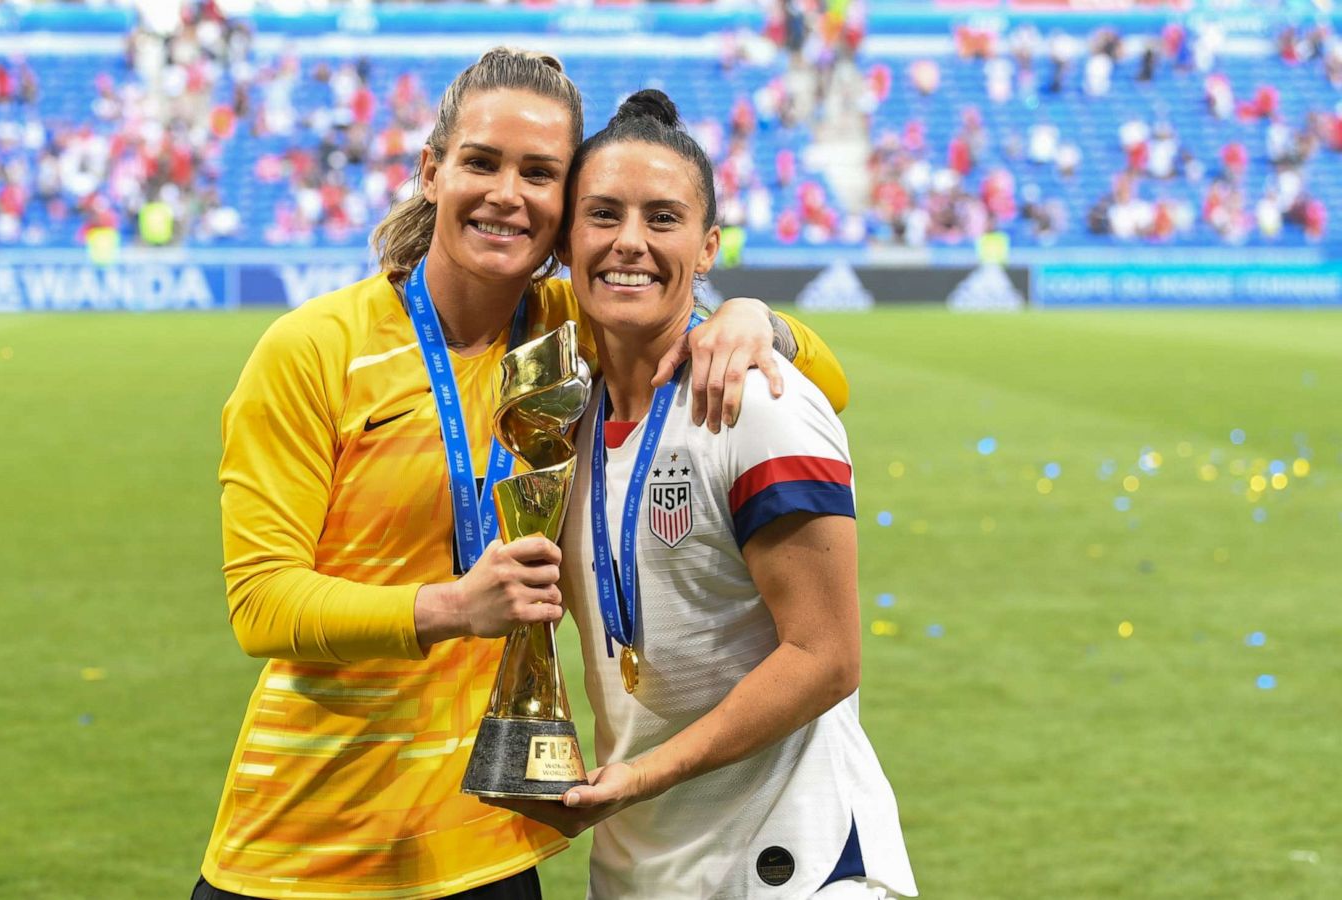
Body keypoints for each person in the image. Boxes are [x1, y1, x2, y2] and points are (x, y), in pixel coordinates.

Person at [198, 51, 851, 900]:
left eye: (539, 173)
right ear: (432, 172)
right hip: (309, 844)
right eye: (482, 162)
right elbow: (260, 602)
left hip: (489, 847)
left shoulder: (569, 333)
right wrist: (454, 608)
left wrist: (752, 320)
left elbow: (821, 389)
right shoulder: (314, 351)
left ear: (563, 207)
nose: (508, 193)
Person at [489, 90, 916, 898]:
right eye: (604, 215)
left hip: (794, 864)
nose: (630, 244)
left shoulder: (756, 404)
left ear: (709, 244)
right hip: (638, 870)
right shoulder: (557, 428)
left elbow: (826, 658)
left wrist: (642, 775)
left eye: (663, 218)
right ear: (566, 239)